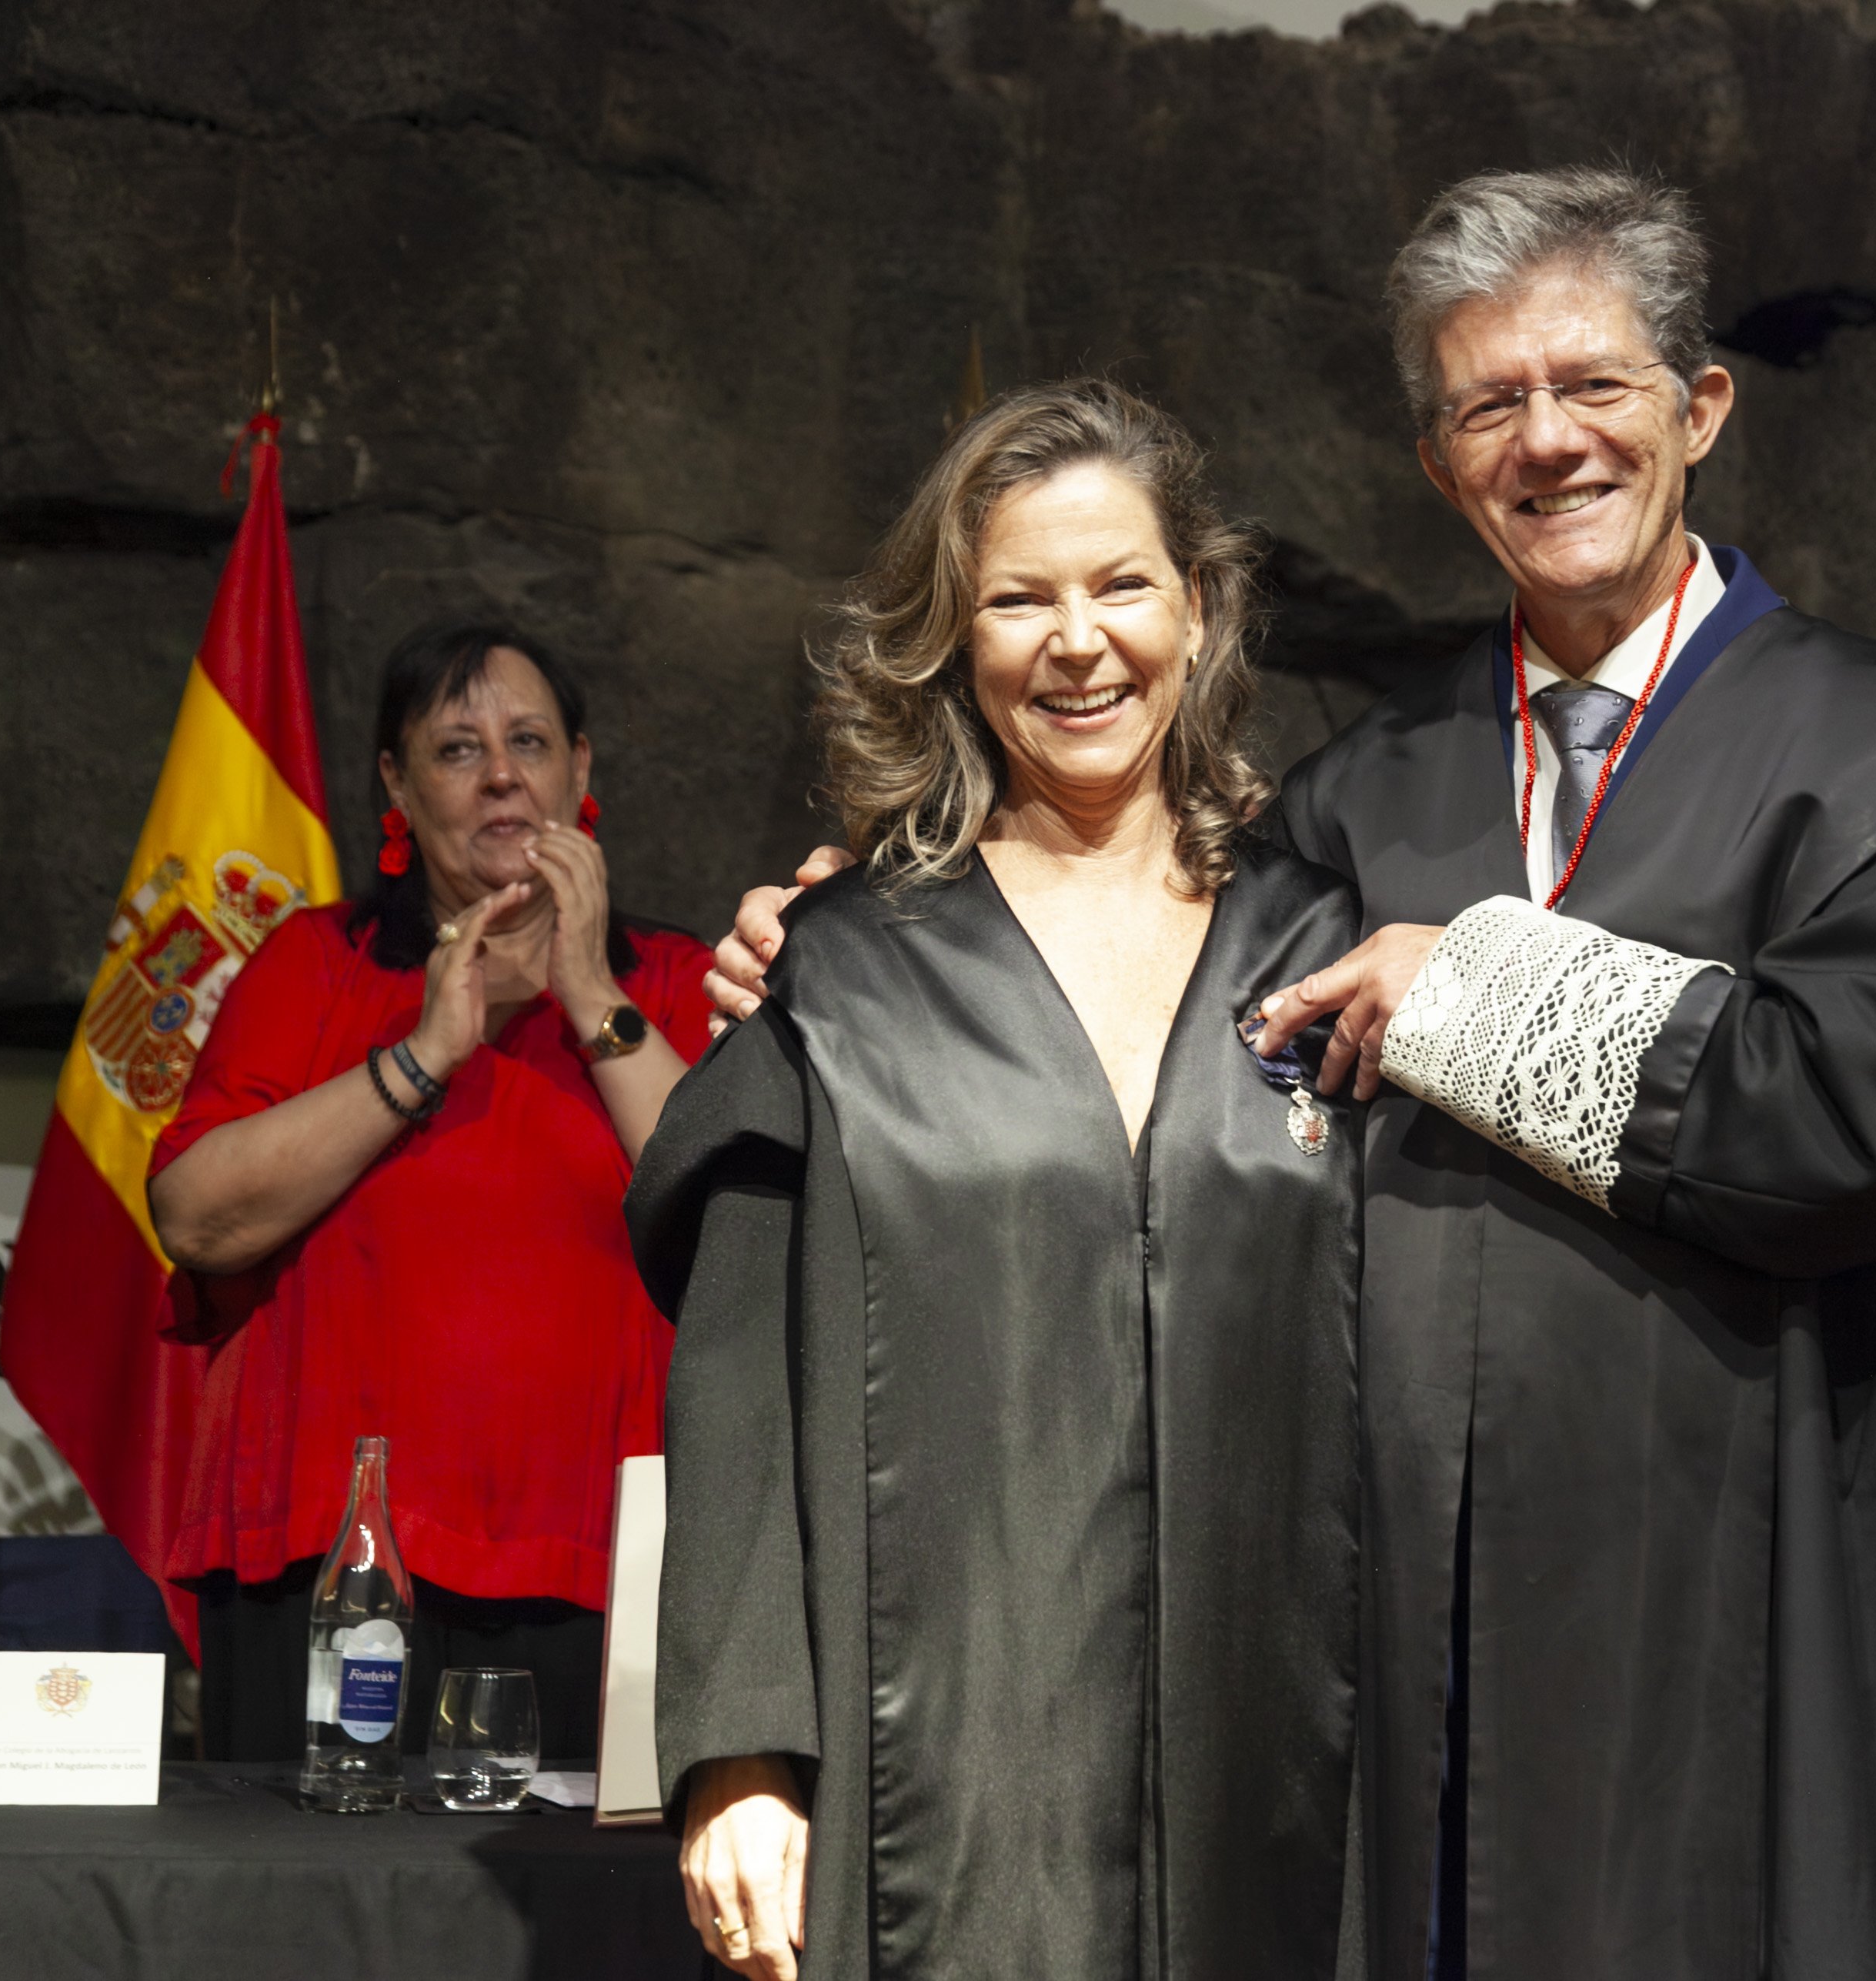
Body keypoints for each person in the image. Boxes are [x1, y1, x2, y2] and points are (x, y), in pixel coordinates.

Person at [716, 167, 1876, 1981]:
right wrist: (868, 936)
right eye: (1484, 405)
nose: (1547, 441)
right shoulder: (1365, 798)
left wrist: (1481, 992)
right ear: (1438, 464)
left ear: (1699, 405)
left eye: (1591, 384)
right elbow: (1142, 1043)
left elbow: (1860, 1116)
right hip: (1415, 1692)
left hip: (1761, 1646)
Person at [628, 381, 1363, 1981]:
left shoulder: (1326, 950)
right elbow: (739, 1383)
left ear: (1200, 608)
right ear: (952, 647)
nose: (1076, 641)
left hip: (1287, 1771)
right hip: (946, 1792)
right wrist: (743, 1754)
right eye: (1017, 600)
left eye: (1121, 586)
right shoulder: (843, 972)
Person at [148, 622, 712, 1764]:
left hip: (593, 1569)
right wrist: (423, 1054)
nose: (502, 772)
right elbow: (197, 1218)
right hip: (328, 1563)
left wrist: (589, 988)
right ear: (397, 786)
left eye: (529, 740)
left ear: (581, 770)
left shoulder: (670, 983)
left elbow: (726, 1229)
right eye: (457, 748)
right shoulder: (316, 966)